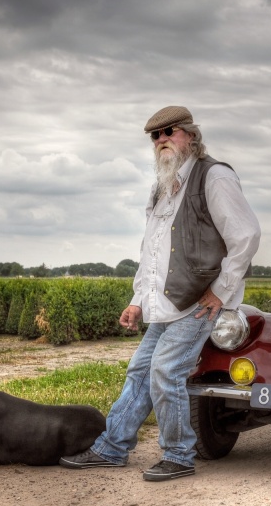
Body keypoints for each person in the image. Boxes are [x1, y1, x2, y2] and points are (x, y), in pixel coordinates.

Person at [60, 105, 260, 481]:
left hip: (199, 301)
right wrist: (137, 301)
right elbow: (151, 251)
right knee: (140, 371)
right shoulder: (161, 187)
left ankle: (179, 454)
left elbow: (246, 235)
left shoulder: (214, 176)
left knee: (166, 370)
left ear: (191, 135)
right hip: (168, 301)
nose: (162, 140)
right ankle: (111, 448)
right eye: (156, 136)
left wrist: (221, 291)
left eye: (170, 132)